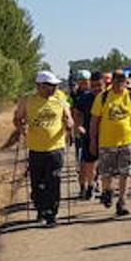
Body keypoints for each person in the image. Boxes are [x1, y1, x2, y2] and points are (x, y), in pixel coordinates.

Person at [14, 70, 75, 227]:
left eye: (55, 85)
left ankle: (51, 214)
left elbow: (68, 117)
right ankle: (40, 208)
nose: (53, 88)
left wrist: (69, 123)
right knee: (38, 183)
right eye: (50, 86)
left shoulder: (60, 98)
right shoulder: (27, 100)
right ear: (39, 86)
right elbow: (17, 118)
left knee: (53, 180)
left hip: (56, 148)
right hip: (35, 149)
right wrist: (21, 128)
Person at [91, 70, 131, 217]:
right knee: (106, 173)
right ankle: (107, 191)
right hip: (106, 142)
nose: (120, 82)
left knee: (126, 172)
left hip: (127, 140)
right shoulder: (103, 97)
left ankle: (122, 201)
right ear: (112, 81)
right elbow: (94, 120)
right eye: (117, 79)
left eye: (122, 79)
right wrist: (93, 140)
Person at [70, 70, 101, 201]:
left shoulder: (106, 97)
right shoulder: (83, 97)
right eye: (94, 85)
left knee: (99, 165)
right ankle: (88, 186)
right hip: (86, 135)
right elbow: (76, 113)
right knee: (86, 163)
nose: (96, 88)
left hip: (105, 135)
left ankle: (94, 183)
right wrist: (78, 127)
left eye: (98, 85)